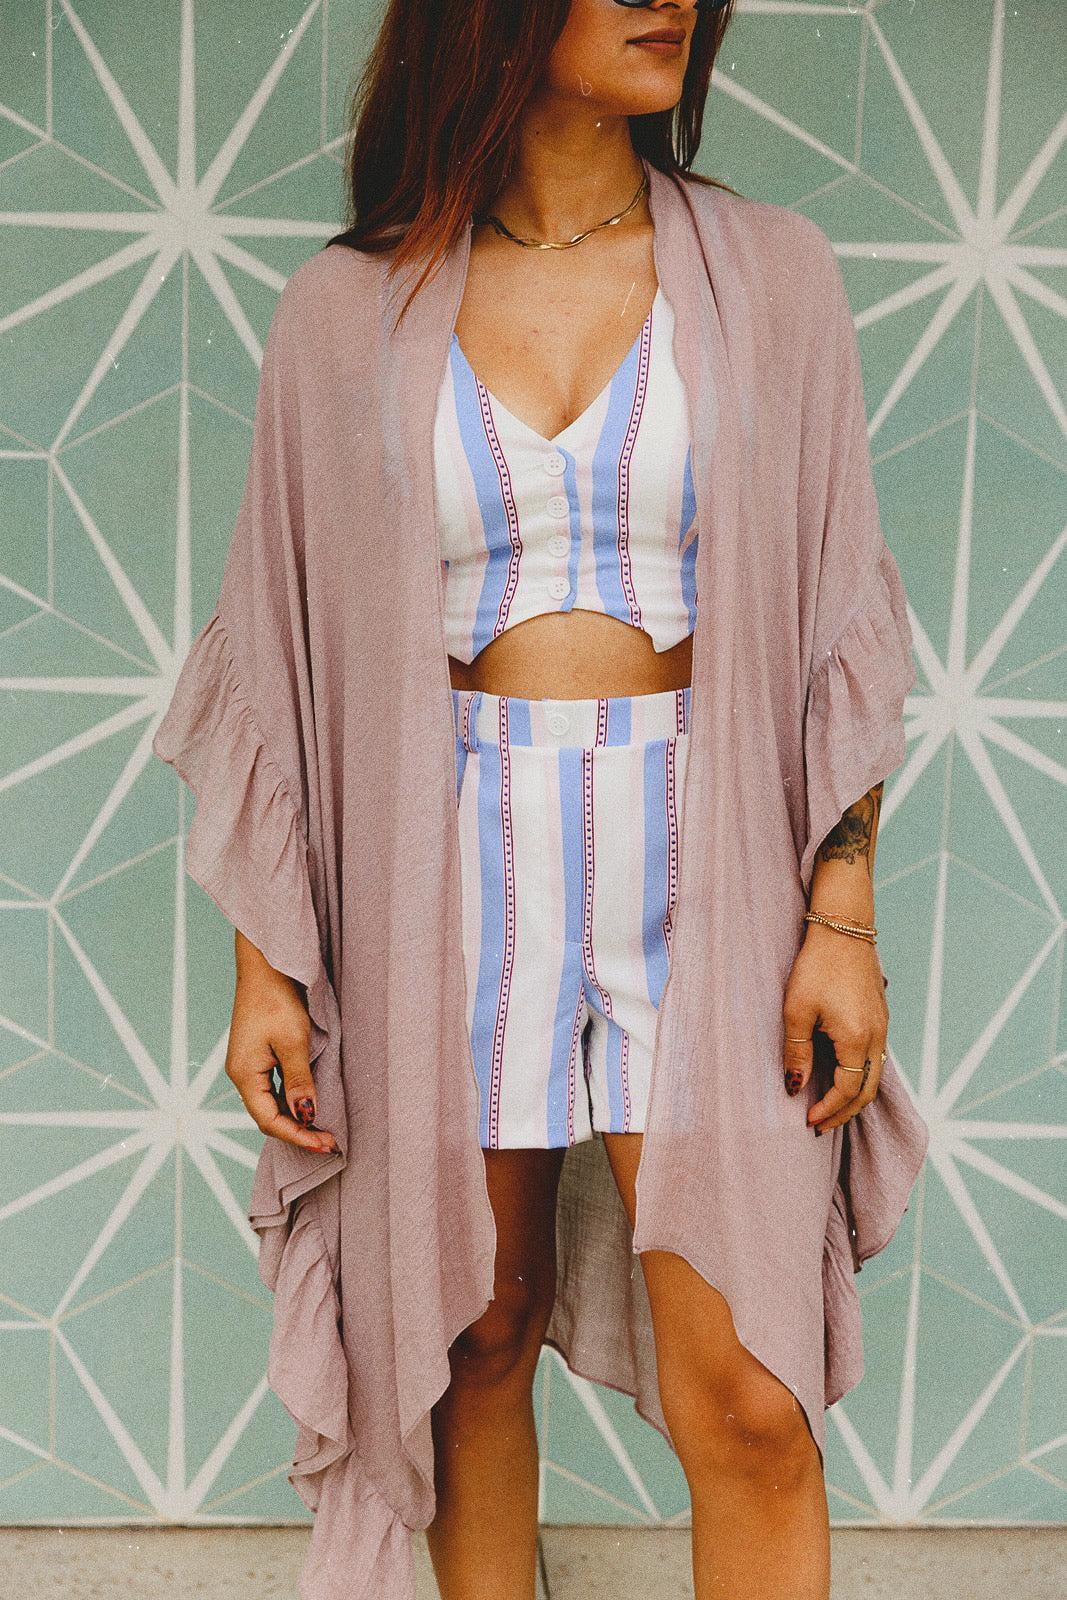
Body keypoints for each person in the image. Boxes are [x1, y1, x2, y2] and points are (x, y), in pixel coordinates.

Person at [152, 2, 929, 1597]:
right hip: (443, 861)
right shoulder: (344, 311)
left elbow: (842, 619)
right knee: (471, 1342)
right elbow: (283, 653)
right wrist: (267, 968)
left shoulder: (775, 277)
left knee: (753, 1403)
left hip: (705, 857)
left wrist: (840, 914)